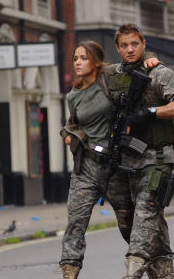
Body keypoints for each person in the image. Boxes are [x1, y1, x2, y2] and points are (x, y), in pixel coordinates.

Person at [58, 40, 159, 278]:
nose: (78, 63)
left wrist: (152, 58)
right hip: (87, 164)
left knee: (128, 224)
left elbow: (133, 59)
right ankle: (69, 270)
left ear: (96, 60)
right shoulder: (74, 94)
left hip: (115, 163)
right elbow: (72, 123)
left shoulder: (109, 76)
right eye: (75, 58)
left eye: (83, 58)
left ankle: (153, 265)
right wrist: (69, 135)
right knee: (76, 220)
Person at [108, 23, 174, 278]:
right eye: (124, 45)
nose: (130, 49)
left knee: (145, 214)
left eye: (135, 44)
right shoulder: (113, 74)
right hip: (124, 160)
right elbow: (93, 68)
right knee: (129, 221)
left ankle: (133, 270)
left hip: (156, 157)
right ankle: (164, 273)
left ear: (144, 44)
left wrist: (151, 112)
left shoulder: (159, 73)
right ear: (118, 48)